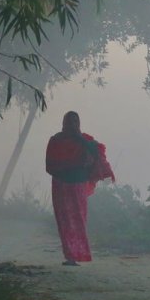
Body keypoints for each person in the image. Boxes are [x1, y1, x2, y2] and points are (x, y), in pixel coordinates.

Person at [44, 111, 115, 265]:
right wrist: (67, 167)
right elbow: (49, 166)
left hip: (78, 186)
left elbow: (97, 152)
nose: (73, 125)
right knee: (65, 222)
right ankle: (70, 256)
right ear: (64, 123)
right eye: (70, 121)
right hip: (61, 186)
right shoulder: (56, 141)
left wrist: (80, 139)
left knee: (78, 220)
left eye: (76, 121)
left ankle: (78, 254)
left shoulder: (86, 140)